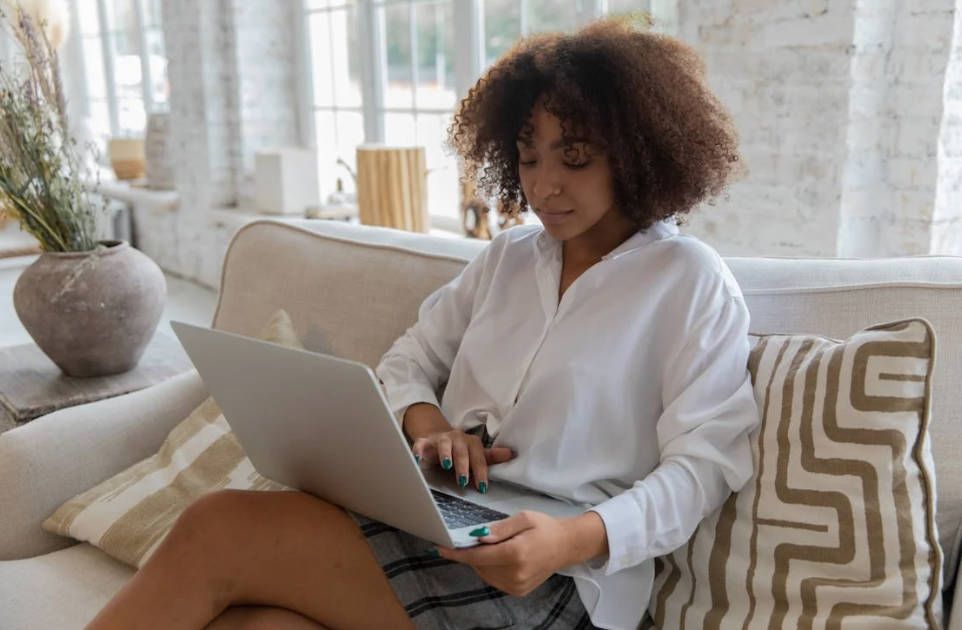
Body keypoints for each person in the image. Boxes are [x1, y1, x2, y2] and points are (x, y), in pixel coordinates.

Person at [87, 17, 760, 630]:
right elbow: (408, 360)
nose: (545, 185)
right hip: (439, 518)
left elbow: (705, 465)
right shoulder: (506, 260)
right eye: (528, 156)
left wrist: (575, 537)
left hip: (560, 575)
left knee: (218, 527)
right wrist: (428, 424)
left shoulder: (689, 282)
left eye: (575, 158)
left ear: (640, 153)